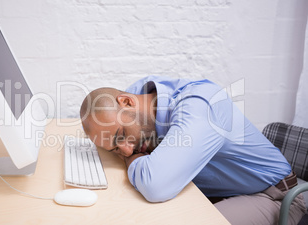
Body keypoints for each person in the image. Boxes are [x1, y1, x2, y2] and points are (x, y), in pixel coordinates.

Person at [80, 75, 306, 225]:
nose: (127, 150)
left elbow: (155, 185)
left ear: (127, 102)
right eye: (115, 149)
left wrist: (136, 159)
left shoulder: (200, 105)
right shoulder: (138, 98)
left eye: (122, 136)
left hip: (274, 195)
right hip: (222, 191)